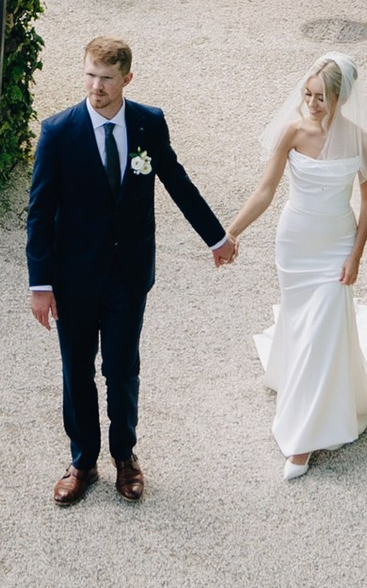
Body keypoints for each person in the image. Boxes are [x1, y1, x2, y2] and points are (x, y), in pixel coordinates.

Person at [26, 33, 234, 504]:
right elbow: (39, 212)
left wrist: (216, 237)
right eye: (90, 75)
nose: (96, 87)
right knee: (76, 369)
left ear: (126, 79)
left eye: (106, 78)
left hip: (127, 275)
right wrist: (41, 284)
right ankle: (82, 461)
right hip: (74, 278)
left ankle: (125, 456)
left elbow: (177, 180)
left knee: (121, 369)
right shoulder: (58, 132)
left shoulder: (147, 124)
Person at [220, 55, 367, 477]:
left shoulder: (361, 142)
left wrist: (356, 255)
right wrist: (231, 233)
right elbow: (265, 190)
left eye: (321, 97)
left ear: (340, 97)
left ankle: (304, 440)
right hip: (295, 243)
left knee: (324, 327)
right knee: (302, 324)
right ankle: (302, 387)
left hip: (336, 244)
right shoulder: (292, 131)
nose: (311, 103)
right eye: (307, 94)